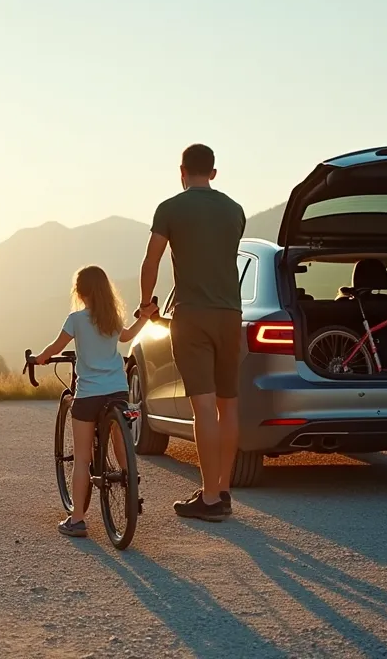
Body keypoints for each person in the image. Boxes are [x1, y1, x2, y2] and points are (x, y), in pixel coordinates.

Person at [139, 143, 246, 522]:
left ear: (181, 171)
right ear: (213, 173)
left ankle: (211, 497)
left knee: (203, 406)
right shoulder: (235, 211)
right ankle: (225, 489)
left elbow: (151, 258)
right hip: (230, 315)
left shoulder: (170, 209)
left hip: (192, 316)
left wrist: (146, 303)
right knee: (228, 405)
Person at [33, 265, 157, 537]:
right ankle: (130, 483)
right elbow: (126, 336)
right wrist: (145, 318)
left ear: (79, 291)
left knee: (81, 458)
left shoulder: (76, 319)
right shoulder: (112, 317)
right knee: (119, 440)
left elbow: (56, 347)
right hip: (117, 390)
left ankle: (77, 519)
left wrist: (40, 358)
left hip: (89, 394)